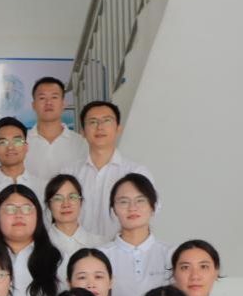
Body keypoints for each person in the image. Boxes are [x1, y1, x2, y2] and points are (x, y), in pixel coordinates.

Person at [97, 173, 171, 296]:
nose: (132, 208)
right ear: (113, 209)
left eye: (140, 200)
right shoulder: (101, 256)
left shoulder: (171, 254)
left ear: (153, 206)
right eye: (123, 201)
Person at [0, 184, 64, 296]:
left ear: (38, 216)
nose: (19, 215)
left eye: (26, 209)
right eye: (10, 209)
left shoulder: (59, 261)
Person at [72, 100, 150, 228]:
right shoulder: (69, 173)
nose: (100, 127)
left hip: (120, 241)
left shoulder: (137, 172)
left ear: (118, 128)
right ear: (83, 132)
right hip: (78, 242)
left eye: (107, 120)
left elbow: (150, 209)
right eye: (92, 122)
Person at [24, 77, 88, 184]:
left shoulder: (81, 143)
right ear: (33, 105)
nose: (48, 102)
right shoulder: (23, 142)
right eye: (42, 98)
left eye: (54, 97)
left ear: (63, 104)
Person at [45, 173, 103, 260]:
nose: (66, 204)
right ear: (49, 205)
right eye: (58, 198)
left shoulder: (101, 244)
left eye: (72, 197)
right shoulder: (37, 246)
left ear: (81, 202)